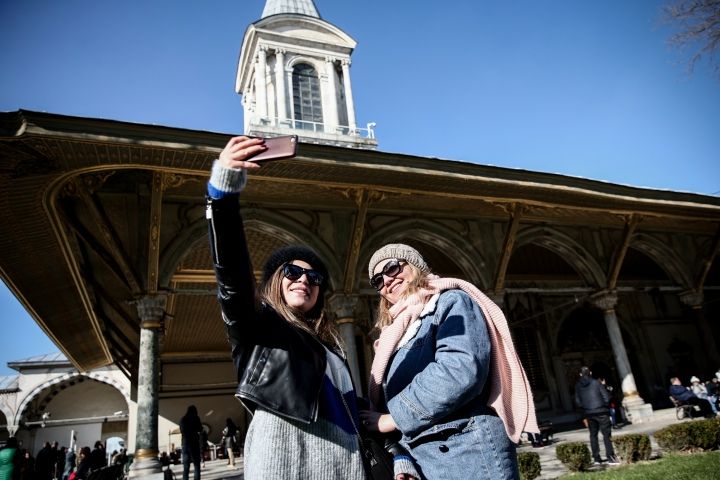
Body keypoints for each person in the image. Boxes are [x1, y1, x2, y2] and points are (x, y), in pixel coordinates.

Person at [206, 136, 414, 479]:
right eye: (292, 271)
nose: (304, 279)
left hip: (348, 469)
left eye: (314, 276)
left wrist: (398, 455)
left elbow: (356, 412)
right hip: (289, 466)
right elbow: (231, 275)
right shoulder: (260, 329)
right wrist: (222, 192)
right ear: (275, 281)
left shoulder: (331, 349)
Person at [359, 243, 539, 479]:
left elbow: (460, 370)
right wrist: (402, 458)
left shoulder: (450, 301)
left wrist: (393, 418)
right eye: (378, 280)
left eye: (392, 268)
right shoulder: (394, 333)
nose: (387, 281)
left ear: (414, 265)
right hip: (426, 457)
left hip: (467, 451)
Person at [574, 367, 619, 465]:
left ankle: (596, 459)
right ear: (590, 372)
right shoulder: (596, 382)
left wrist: (586, 408)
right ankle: (610, 457)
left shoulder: (577, 386)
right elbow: (606, 397)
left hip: (589, 413)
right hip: (601, 411)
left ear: (580, 374)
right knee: (606, 435)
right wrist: (603, 405)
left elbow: (578, 402)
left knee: (593, 435)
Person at [179, 405, 203, 480]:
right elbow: (200, 429)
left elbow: (182, 430)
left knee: (186, 467)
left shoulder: (183, 419)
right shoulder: (196, 418)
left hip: (185, 444)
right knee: (196, 466)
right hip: (195, 444)